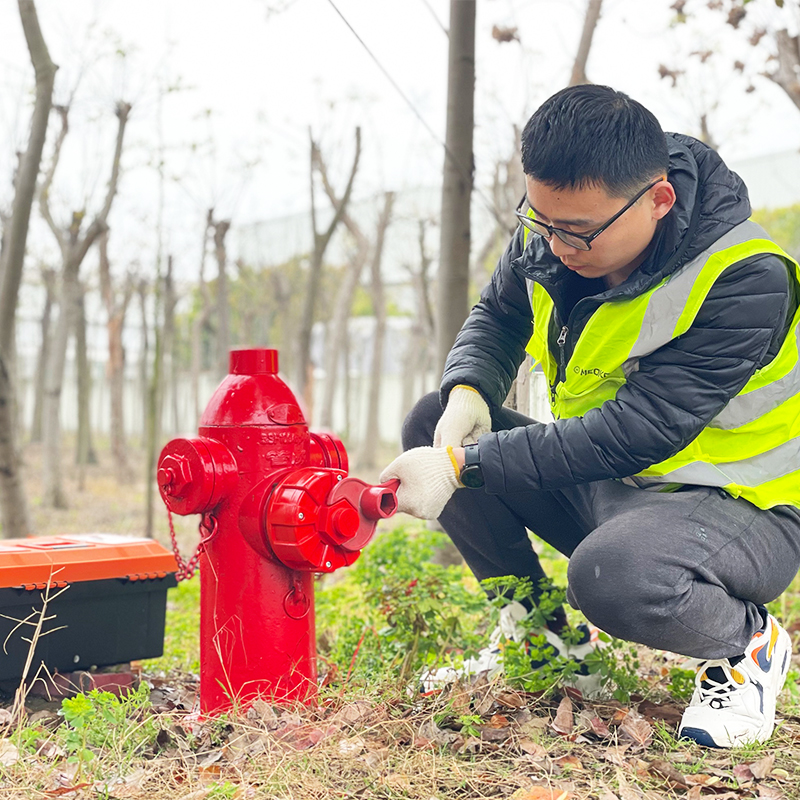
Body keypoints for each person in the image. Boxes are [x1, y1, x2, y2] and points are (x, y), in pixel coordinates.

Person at [380, 84, 800, 749]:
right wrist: (469, 391)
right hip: (611, 486)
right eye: (540, 220)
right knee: (430, 416)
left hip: (737, 510)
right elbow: (499, 315)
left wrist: (465, 465)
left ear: (659, 200)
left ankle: (748, 644)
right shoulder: (553, 232)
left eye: (577, 231)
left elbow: (641, 428)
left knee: (612, 575)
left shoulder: (747, 279)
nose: (556, 245)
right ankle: (544, 639)